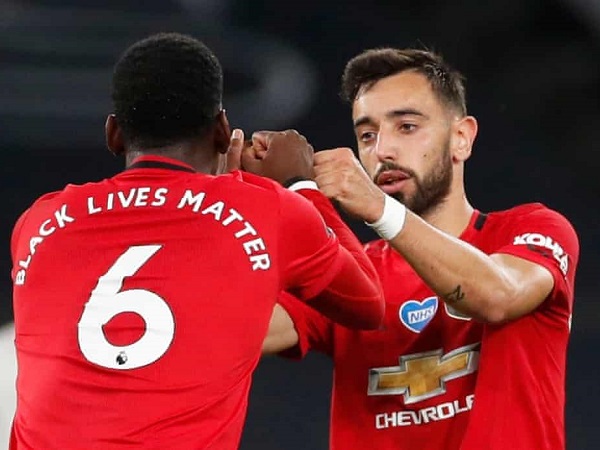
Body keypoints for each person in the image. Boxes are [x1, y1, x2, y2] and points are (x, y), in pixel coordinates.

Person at [8, 33, 386, 450]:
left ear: (114, 134)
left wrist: (228, 194)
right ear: (223, 131)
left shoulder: (38, 221)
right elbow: (367, 304)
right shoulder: (267, 211)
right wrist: (299, 186)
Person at [263, 48, 579, 450]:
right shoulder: (352, 274)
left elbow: (498, 296)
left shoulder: (532, 229)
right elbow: (232, 332)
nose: (382, 151)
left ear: (461, 138)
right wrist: (228, 207)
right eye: (367, 135)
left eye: (407, 127)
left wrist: (379, 208)